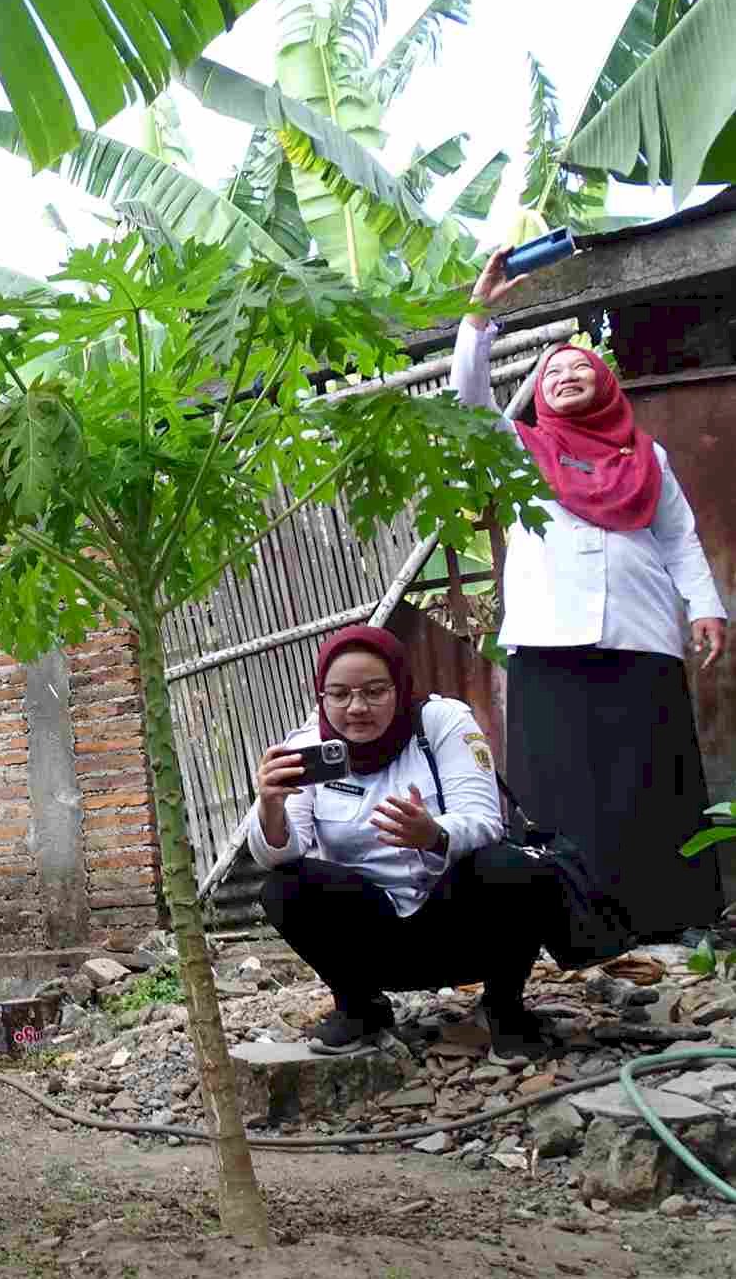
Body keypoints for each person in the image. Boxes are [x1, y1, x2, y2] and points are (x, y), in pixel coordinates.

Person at [460, 247, 728, 942]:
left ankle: (676, 918)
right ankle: (571, 928)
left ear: (607, 384)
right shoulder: (517, 448)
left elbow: (678, 537)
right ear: (540, 396)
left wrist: (704, 605)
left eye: (582, 366)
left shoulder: (648, 458)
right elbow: (468, 398)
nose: (569, 374)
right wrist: (478, 316)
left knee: (653, 782)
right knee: (562, 790)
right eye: (555, 372)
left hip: (640, 635)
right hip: (549, 640)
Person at [249, 626, 555, 1057]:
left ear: (400, 685)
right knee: (283, 888)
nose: (357, 708)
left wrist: (434, 836)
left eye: (375, 691)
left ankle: (505, 1007)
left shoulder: (442, 722)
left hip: (458, 926)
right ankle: (360, 1007)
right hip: (374, 935)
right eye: (338, 695)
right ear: (321, 696)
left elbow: (486, 821)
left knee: (511, 868)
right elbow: (278, 854)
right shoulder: (306, 748)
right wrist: (270, 805)